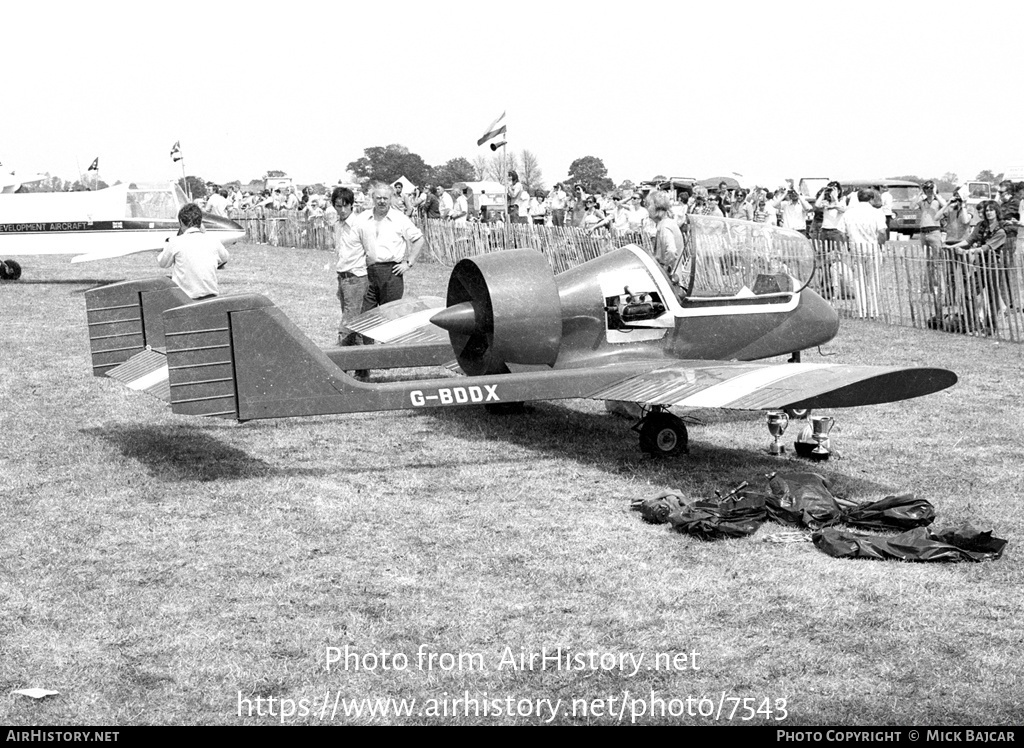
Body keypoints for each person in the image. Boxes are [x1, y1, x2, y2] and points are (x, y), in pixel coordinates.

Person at [358, 182, 425, 316]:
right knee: (366, 316)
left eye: (385, 198)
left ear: (391, 199)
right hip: (367, 272)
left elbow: (419, 239)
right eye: (378, 198)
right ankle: (367, 339)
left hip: (391, 273)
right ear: (373, 198)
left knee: (390, 316)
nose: (382, 201)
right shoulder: (363, 218)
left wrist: (408, 263)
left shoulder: (399, 218)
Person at [950, 200, 1007, 335]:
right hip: (980, 265)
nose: (988, 212)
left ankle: (990, 328)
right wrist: (952, 247)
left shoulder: (1001, 231)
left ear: (997, 212)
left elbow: (986, 248)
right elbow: (970, 240)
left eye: (991, 210)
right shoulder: (981, 225)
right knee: (968, 293)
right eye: (986, 210)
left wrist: (967, 252)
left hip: (993, 266)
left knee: (992, 298)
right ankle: (973, 324)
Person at [157, 203, 229, 299]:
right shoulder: (213, 240)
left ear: (181, 222)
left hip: (186, 300)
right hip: (211, 298)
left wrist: (167, 244)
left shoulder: (175, 242)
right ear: (200, 222)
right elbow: (225, 258)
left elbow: (162, 263)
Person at [328, 186, 370, 352]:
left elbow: (371, 252)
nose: (343, 209)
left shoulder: (360, 225)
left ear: (352, 205)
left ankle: (339, 362)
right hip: (343, 278)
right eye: (339, 206)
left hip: (357, 278)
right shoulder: (338, 225)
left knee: (348, 324)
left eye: (346, 205)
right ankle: (362, 368)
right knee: (356, 325)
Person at [843, 188, 887, 318]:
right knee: (874, 280)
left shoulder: (849, 213)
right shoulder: (877, 213)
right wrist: (881, 245)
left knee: (858, 280)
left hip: (856, 249)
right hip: (872, 248)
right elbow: (882, 232)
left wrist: (849, 244)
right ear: (871, 198)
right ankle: (874, 310)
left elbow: (842, 232)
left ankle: (861, 310)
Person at [914, 180, 948, 318]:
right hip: (923, 232)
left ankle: (940, 288)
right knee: (928, 262)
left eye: (930, 188)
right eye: (926, 188)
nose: (928, 190)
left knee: (937, 262)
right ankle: (930, 286)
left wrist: (935, 193)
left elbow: (946, 206)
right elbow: (912, 205)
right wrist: (921, 193)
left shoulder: (937, 201)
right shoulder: (922, 201)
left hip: (935, 231)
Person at [646, 190, 686, 287]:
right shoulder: (668, 222)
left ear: (657, 207)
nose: (647, 209)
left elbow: (672, 251)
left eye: (648, 205)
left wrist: (664, 269)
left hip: (671, 282)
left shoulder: (664, 226)